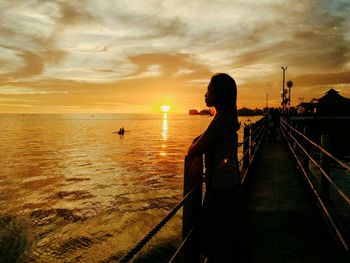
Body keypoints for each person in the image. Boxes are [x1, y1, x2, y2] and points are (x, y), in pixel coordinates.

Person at [187, 73, 244, 262]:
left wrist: (193, 151)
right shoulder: (226, 119)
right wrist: (198, 143)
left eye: (209, 90)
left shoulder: (220, 121)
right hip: (231, 189)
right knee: (223, 245)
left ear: (218, 94)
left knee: (213, 247)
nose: (205, 94)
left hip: (220, 194)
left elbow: (194, 149)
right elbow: (204, 139)